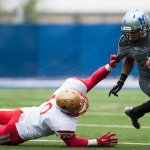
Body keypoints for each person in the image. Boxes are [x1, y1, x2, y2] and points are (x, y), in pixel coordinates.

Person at [0, 55, 119, 147]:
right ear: (68, 109)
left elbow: (94, 79)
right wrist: (97, 142)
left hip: (21, 113)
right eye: (78, 105)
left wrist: (110, 66)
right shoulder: (60, 121)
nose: (81, 104)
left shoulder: (64, 93)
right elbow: (73, 143)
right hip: (16, 131)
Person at [109, 9, 150, 129]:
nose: (131, 34)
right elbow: (129, 58)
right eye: (128, 31)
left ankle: (135, 112)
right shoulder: (124, 41)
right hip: (146, 78)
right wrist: (121, 81)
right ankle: (135, 112)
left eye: (134, 31)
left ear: (144, 27)